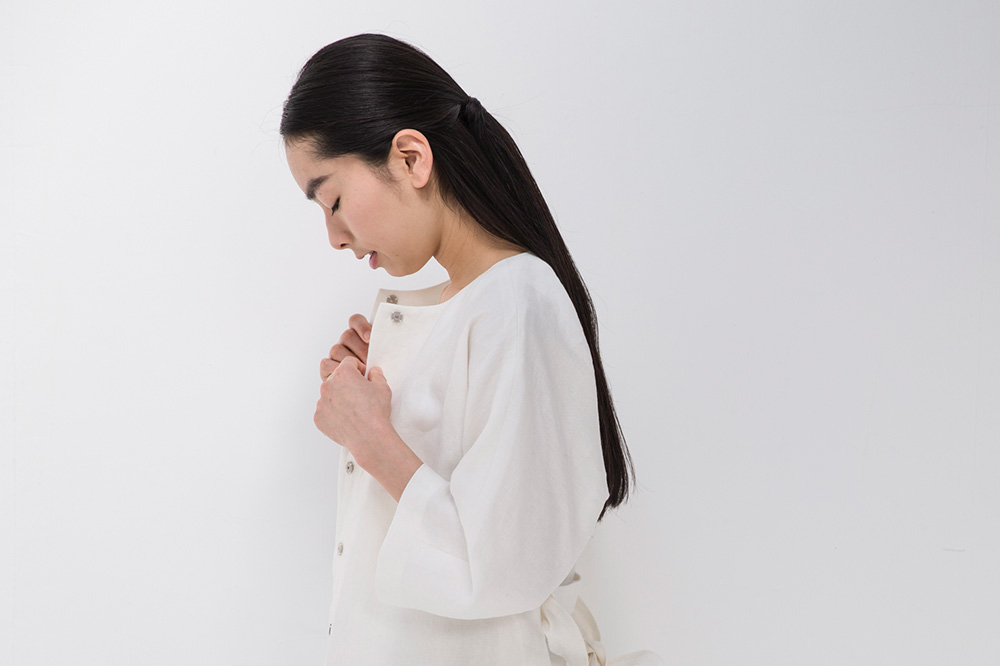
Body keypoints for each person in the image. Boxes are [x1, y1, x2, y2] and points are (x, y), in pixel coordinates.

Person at [280, 33, 664, 666]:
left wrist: (371, 437)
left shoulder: (518, 301)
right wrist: (389, 384)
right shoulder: (480, 306)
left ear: (411, 158)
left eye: (334, 200)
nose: (334, 237)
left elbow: (503, 565)